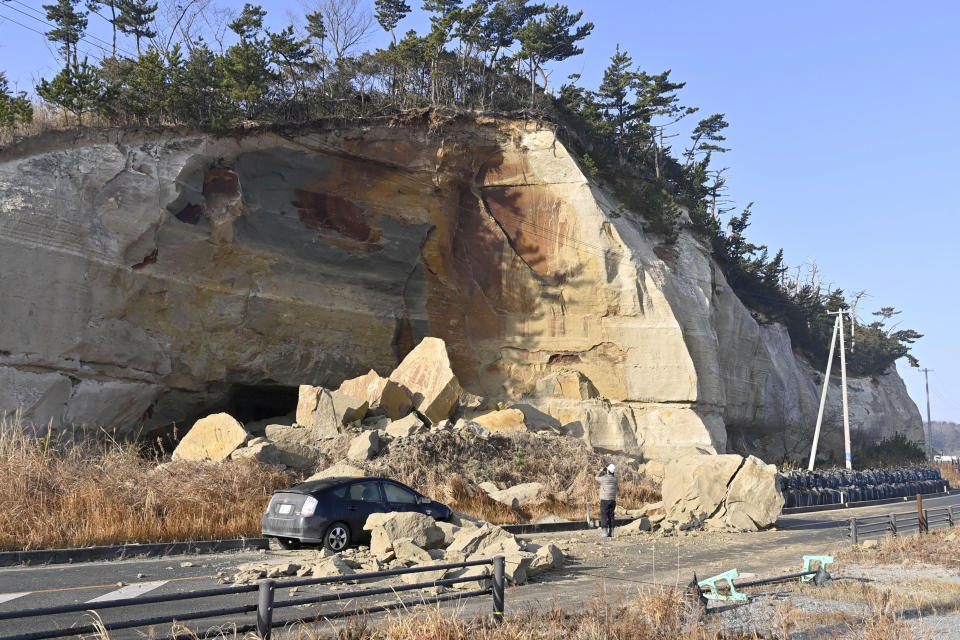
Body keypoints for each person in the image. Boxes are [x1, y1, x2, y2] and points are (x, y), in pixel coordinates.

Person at [595, 463, 618, 537]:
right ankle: (611, 532)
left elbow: (596, 477)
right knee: (611, 515)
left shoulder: (604, 478)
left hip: (605, 499)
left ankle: (604, 532)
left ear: (608, 471)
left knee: (604, 515)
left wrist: (601, 471)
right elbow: (612, 476)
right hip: (613, 500)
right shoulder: (615, 479)